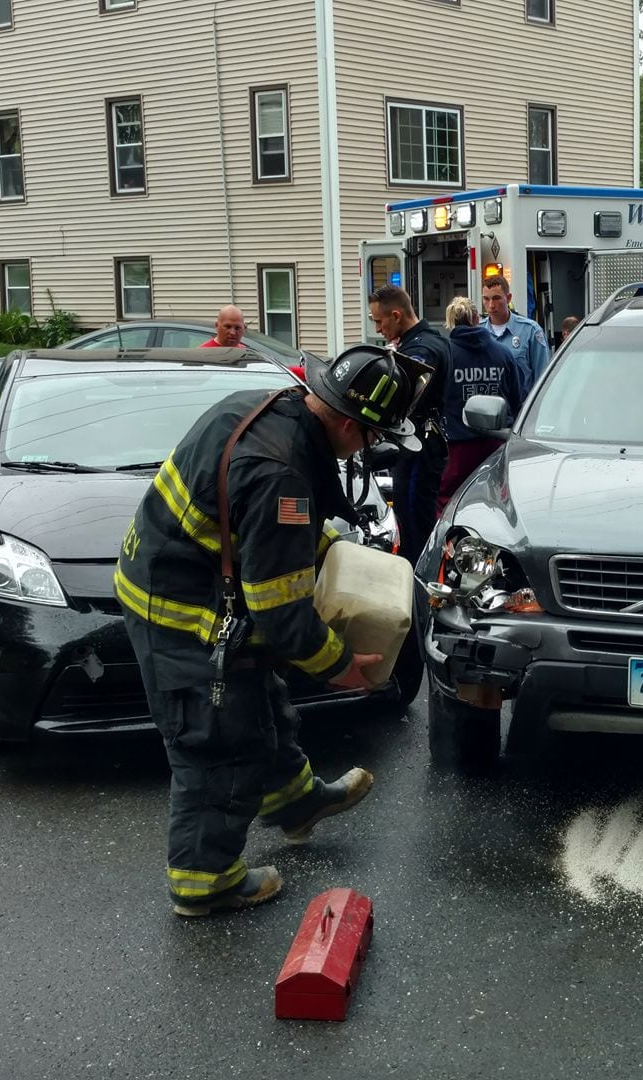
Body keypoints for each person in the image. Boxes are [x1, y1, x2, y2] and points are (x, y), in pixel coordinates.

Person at [115, 344, 431, 917]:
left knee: (259, 692)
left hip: (193, 581)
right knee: (217, 744)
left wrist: (331, 550)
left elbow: (259, 533)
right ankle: (205, 881)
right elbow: (280, 616)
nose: (370, 448)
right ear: (343, 420)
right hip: (181, 613)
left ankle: (295, 802)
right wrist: (342, 668)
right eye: (371, 435)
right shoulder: (280, 471)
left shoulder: (275, 409)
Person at [367, 285, 449, 565]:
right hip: (420, 443)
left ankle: (417, 588)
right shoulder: (427, 341)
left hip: (419, 447)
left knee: (414, 524)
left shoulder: (422, 351)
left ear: (396, 315)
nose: (378, 328)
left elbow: (402, 396)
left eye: (379, 321)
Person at [438, 296, 523, 515]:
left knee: (449, 504)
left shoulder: (445, 356)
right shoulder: (503, 354)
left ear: (451, 322)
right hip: (496, 445)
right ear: (477, 318)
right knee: (494, 503)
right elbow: (516, 400)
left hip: (457, 447)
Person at [481, 274, 549, 398]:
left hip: (520, 412)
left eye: (496, 298)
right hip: (486, 412)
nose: (491, 305)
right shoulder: (478, 332)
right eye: (486, 299)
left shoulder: (530, 331)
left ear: (508, 298)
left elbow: (543, 378)